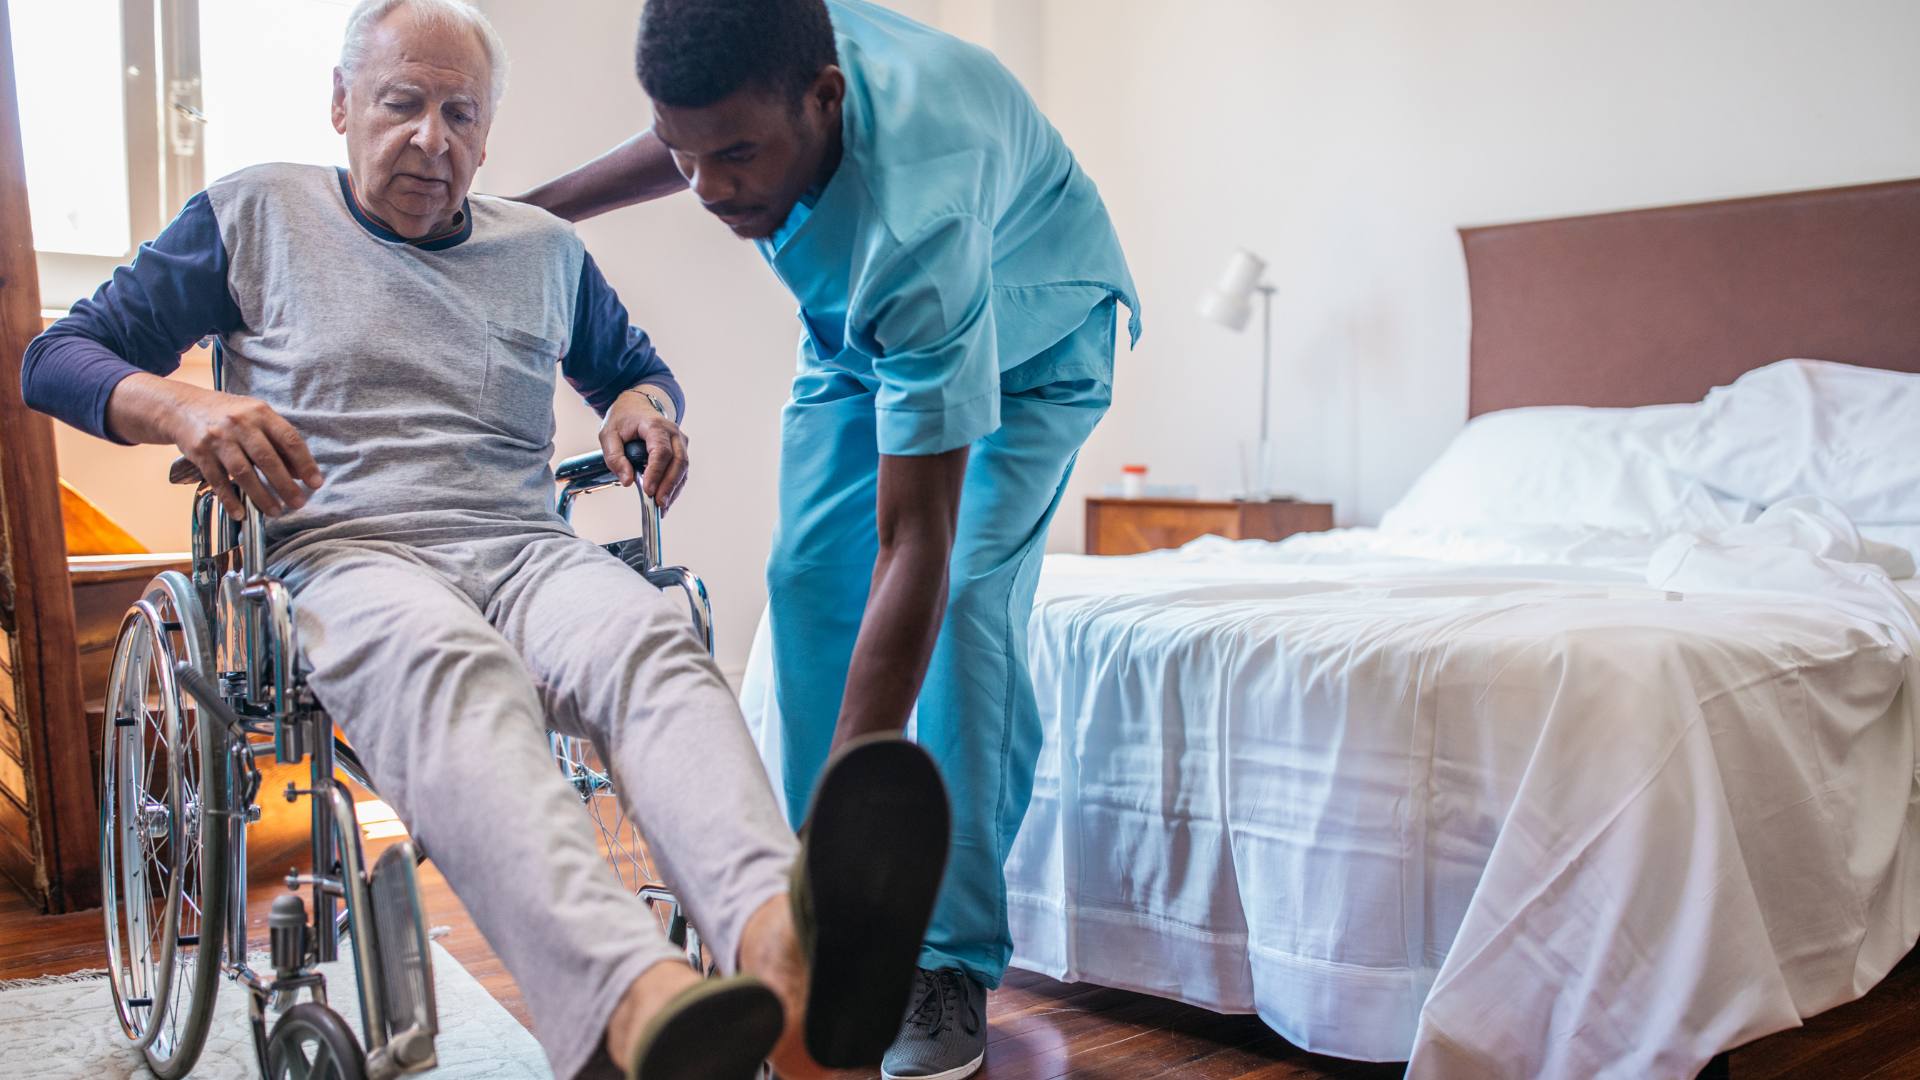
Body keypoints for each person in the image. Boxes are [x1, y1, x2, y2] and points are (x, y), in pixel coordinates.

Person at [21, 2, 949, 1078]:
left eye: (461, 113)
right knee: (454, 668)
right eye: (401, 104)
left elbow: (632, 368)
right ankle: (632, 999)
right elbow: (59, 354)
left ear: (490, 129)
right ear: (341, 104)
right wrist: (182, 409)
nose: (433, 139)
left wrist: (642, 409)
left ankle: (788, 951)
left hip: (524, 548)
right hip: (349, 551)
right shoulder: (256, 211)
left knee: (652, 642)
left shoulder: (544, 248)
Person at [518, 2, 1140, 1076]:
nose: (709, 186)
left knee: (970, 599)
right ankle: (804, 934)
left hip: (1029, 341)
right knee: (805, 581)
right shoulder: (763, 41)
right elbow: (701, 131)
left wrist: (855, 838)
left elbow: (916, 545)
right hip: (864, 335)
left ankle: (938, 960)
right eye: (688, 155)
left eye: (739, 156)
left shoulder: (919, 214)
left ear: (825, 100)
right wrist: (535, 213)